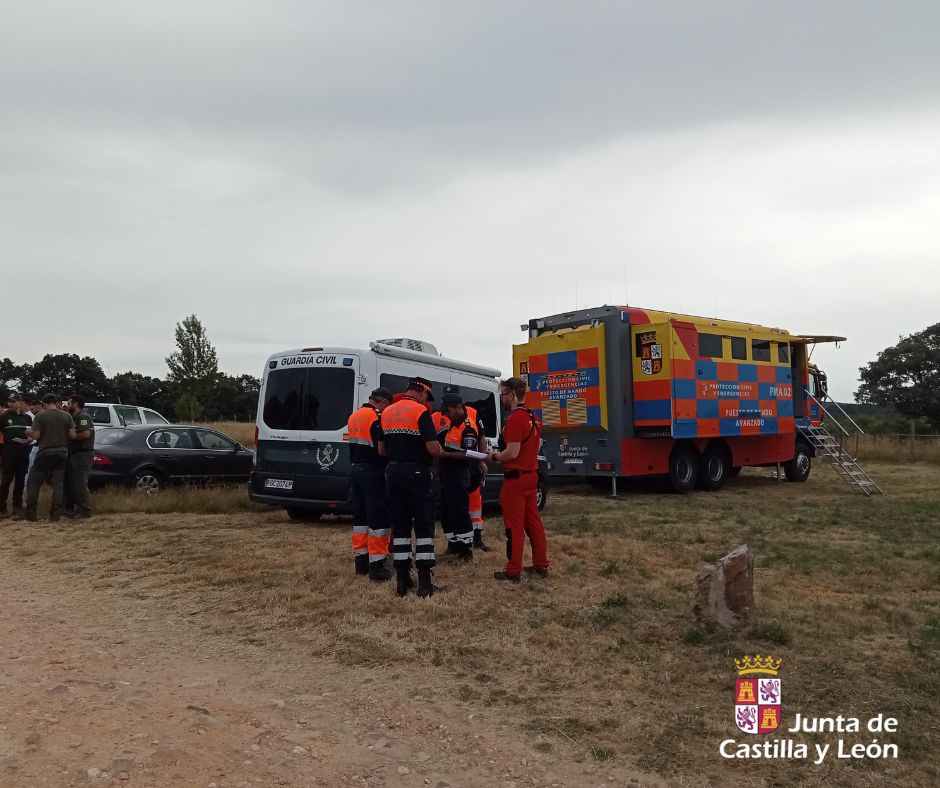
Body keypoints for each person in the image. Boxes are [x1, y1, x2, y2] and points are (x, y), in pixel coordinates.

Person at [378, 377, 443, 597]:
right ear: (422, 393)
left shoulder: (386, 412)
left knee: (401, 526)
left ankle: (403, 581)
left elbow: (381, 450)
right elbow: (433, 449)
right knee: (424, 526)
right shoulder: (420, 412)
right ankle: (424, 583)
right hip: (417, 473)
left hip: (393, 473)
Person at [489, 377, 550, 583]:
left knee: (514, 525)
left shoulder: (515, 419)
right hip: (531, 476)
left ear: (513, 395)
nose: (502, 399)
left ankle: (513, 569)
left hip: (515, 479)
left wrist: (494, 456)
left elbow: (512, 452)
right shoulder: (534, 417)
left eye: (504, 395)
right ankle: (541, 563)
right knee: (533, 522)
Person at [346, 387, 393, 581]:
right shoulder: (376, 418)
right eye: (387, 406)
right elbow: (381, 449)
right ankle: (377, 565)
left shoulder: (354, 416)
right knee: (378, 516)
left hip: (356, 468)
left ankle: (361, 562)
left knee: (361, 517)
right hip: (373, 469)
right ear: (382, 402)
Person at [434, 390, 486, 561]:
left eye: (447, 411)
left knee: (459, 512)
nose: (446, 415)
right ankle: (453, 543)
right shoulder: (453, 424)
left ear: (458, 408)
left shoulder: (468, 427)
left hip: (458, 473)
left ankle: (466, 549)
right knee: (446, 511)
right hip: (447, 473)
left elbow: (468, 453)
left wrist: (445, 455)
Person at [25, 394, 76, 522]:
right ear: (55, 402)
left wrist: (29, 432)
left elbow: (36, 436)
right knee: (58, 484)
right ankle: (55, 515)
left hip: (45, 453)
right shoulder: (66, 415)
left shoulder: (40, 416)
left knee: (33, 482)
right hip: (62, 453)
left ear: (44, 403)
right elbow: (73, 435)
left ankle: (31, 514)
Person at [0, 396, 34, 520]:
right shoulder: (4, 417)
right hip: (9, 449)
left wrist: (30, 438)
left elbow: (31, 432)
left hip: (23, 450)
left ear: (20, 403)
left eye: (14, 401)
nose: (11, 404)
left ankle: (17, 506)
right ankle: (2, 507)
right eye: (9, 401)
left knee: (20, 479)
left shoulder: (27, 418)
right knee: (6, 480)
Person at [64, 394, 95, 519]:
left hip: (83, 454)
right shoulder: (74, 417)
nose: (67, 405)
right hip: (75, 454)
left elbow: (85, 434)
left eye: (69, 403)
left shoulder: (83, 416)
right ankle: (78, 508)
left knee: (80, 483)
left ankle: (85, 510)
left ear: (75, 404)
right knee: (74, 483)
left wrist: (70, 438)